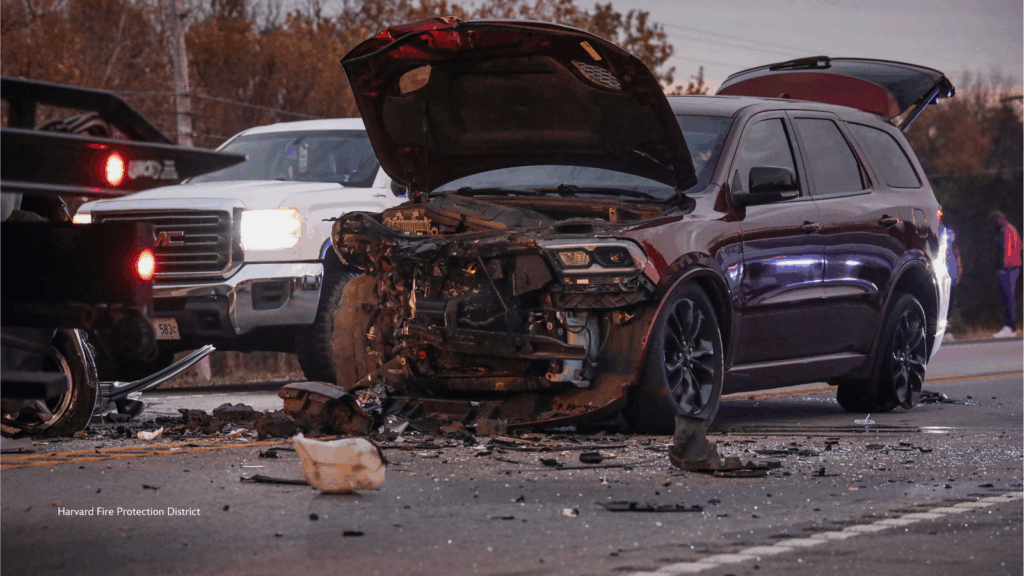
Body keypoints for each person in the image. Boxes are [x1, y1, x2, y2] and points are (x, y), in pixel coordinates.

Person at [990, 211, 1021, 338]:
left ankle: (1010, 326)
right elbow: (1020, 246)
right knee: (1009, 297)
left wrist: (1002, 266)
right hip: (1014, 267)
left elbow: (1005, 249)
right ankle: (1010, 327)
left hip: (1007, 268)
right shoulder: (1012, 228)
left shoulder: (1005, 230)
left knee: (1007, 298)